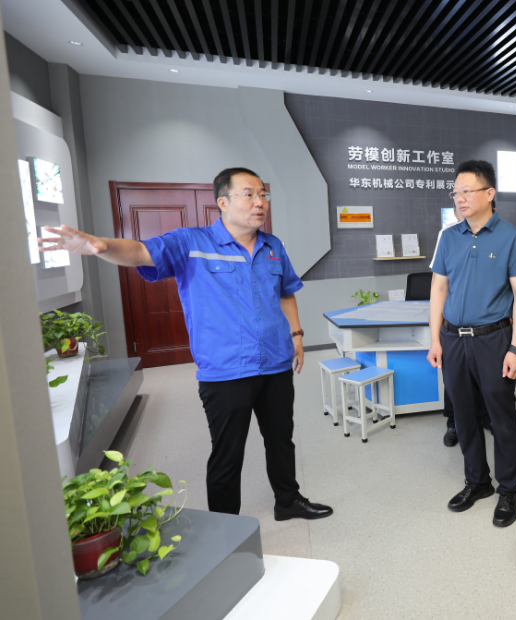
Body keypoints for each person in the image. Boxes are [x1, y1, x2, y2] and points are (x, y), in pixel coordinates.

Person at [40, 168, 333, 521]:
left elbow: (285, 292)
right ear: (223, 202)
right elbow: (140, 252)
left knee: (281, 439)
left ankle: (287, 501)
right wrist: (101, 247)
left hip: (275, 362)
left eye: (263, 195)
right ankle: (226, 526)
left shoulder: (274, 247)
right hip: (225, 370)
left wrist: (297, 336)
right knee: (228, 452)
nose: (259, 202)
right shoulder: (192, 243)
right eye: (249, 194)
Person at [427, 160, 516, 528]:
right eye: (455, 192)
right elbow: (438, 289)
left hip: (494, 339)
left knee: (501, 416)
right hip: (453, 339)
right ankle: (477, 481)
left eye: (466, 191)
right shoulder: (448, 237)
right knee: (463, 415)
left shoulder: (512, 238)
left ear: (489, 194)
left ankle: (509, 488)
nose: (459, 198)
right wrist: (435, 339)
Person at [431, 203, 491, 447]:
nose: (462, 206)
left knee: (485, 377)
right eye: (457, 201)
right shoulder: (447, 235)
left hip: (487, 325)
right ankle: (452, 422)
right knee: (454, 380)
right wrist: (438, 323)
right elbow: (440, 283)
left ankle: (485, 417)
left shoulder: (499, 236)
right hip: (454, 325)